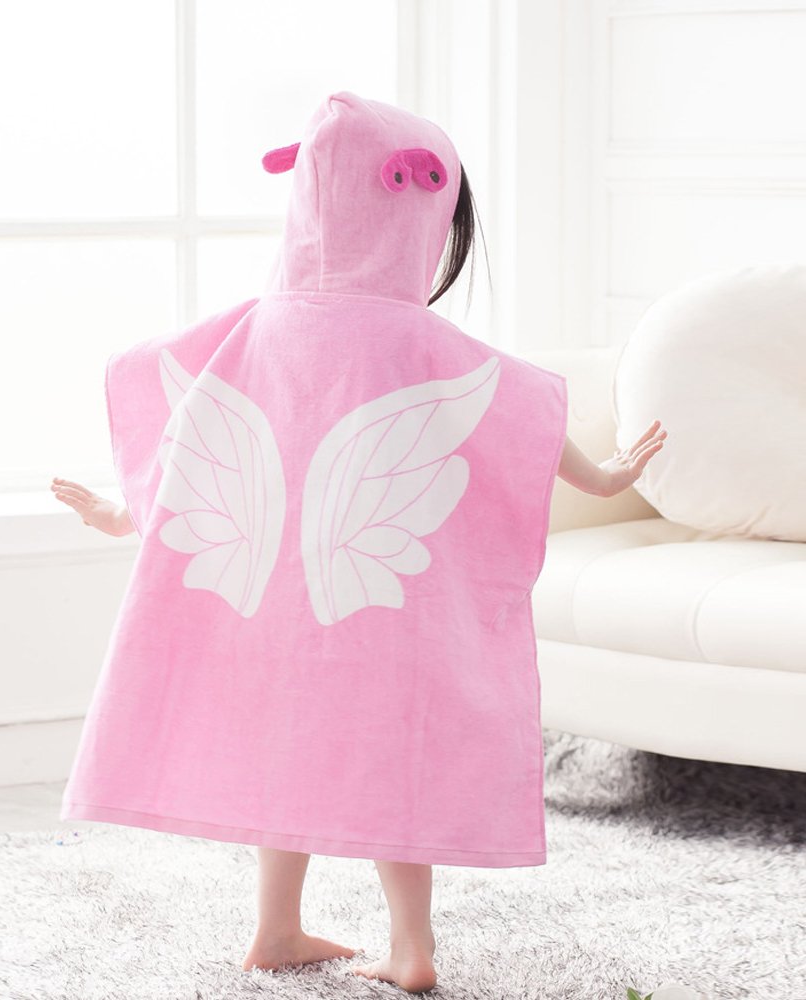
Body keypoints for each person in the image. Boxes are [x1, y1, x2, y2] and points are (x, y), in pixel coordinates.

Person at [54, 91, 667, 995]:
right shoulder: (422, 341)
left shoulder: (253, 329)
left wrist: (126, 512)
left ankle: (277, 926)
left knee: (284, 754)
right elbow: (514, 410)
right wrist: (607, 477)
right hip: (383, 605)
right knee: (393, 767)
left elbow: (193, 432)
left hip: (271, 607)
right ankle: (407, 945)